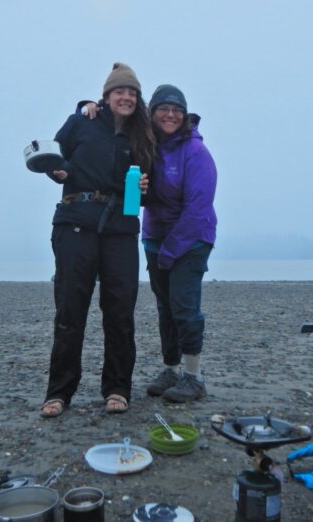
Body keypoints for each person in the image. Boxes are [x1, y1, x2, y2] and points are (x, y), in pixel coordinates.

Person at [87, 85, 218, 401]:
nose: (171, 115)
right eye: (164, 108)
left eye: (177, 110)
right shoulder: (146, 146)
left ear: (185, 116)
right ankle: (171, 369)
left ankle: (194, 377)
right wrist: (91, 106)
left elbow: (198, 207)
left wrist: (172, 250)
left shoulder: (195, 152)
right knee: (165, 308)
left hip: (191, 239)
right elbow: (118, 110)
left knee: (185, 307)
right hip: (156, 239)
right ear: (152, 112)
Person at [40, 63, 155, 417]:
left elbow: (145, 194)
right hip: (75, 223)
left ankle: (117, 388)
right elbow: (53, 157)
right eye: (119, 91)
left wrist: (145, 190)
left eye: (132, 92)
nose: (126, 97)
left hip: (120, 229)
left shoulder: (142, 136)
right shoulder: (82, 122)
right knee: (70, 310)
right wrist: (56, 170)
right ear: (106, 97)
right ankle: (59, 392)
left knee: (120, 312)